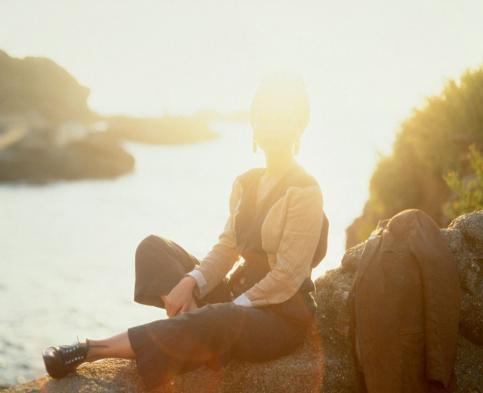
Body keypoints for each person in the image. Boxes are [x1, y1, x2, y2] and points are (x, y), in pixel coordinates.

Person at [42, 70, 327, 390]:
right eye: (264, 118)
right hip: (234, 299)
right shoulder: (246, 183)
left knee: (221, 317)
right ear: (254, 123)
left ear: (298, 126)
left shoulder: (305, 191)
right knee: (153, 248)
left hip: (278, 316)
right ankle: (191, 335)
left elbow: (287, 276)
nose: (270, 126)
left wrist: (229, 307)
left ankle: (91, 349)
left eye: (281, 119)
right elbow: (227, 247)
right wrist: (192, 282)